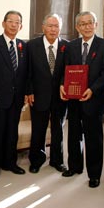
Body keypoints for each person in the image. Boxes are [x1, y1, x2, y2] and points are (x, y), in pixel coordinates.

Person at [60, 11, 104, 188]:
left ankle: (94, 174)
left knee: (94, 138)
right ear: (77, 27)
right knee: (74, 135)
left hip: (94, 99)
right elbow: (65, 70)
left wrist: (92, 89)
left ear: (96, 24)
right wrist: (62, 85)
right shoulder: (71, 46)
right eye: (83, 24)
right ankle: (75, 167)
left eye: (90, 22)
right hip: (74, 99)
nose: (87, 26)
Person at [0, 10, 28, 181]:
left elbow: (25, 73)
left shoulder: (23, 46)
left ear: (21, 26)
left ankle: (10, 162)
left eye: (17, 22)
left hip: (16, 99)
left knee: (12, 133)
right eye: (10, 21)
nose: (14, 25)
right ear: (3, 23)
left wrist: (25, 93)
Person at [26, 13, 68, 174]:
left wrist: (65, 84)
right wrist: (29, 91)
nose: (53, 29)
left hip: (60, 96)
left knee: (58, 130)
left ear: (60, 29)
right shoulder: (32, 46)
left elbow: (68, 70)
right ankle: (36, 160)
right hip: (38, 95)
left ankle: (57, 161)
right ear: (43, 27)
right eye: (50, 26)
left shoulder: (67, 46)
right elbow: (27, 71)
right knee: (38, 129)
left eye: (56, 26)